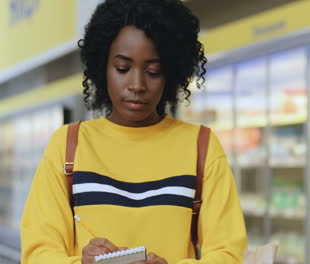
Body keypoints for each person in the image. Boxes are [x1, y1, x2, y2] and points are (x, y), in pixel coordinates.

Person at [20, 0, 247, 263]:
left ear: (171, 73)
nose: (137, 84)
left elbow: (229, 254)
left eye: (153, 71)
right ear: (102, 67)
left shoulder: (201, 146)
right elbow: (38, 253)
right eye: (123, 69)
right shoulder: (69, 145)